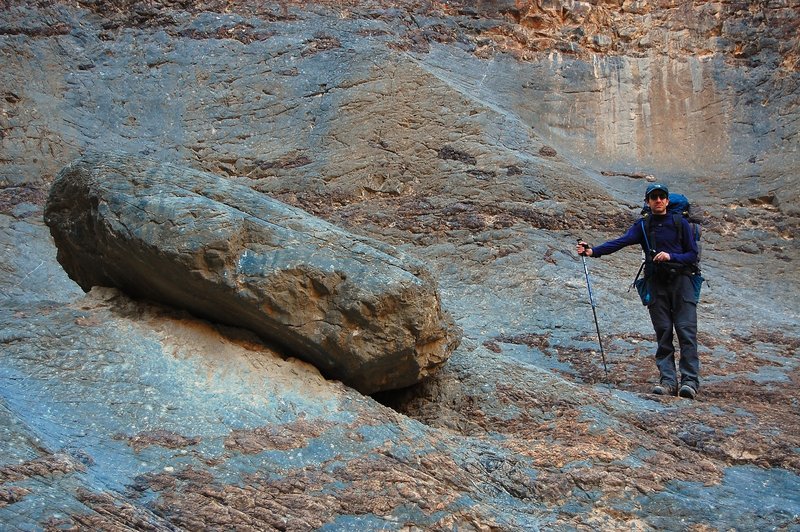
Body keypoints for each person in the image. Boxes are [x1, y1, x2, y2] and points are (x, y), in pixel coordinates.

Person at [575, 183, 700, 399]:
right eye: (654, 197)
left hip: (682, 281)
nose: (658, 201)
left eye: (662, 197)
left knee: (685, 331)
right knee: (663, 332)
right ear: (648, 202)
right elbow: (620, 242)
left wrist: (671, 257)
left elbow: (692, 254)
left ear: (668, 201)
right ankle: (668, 381)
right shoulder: (643, 225)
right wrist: (593, 251)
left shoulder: (680, 223)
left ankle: (690, 382)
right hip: (656, 283)